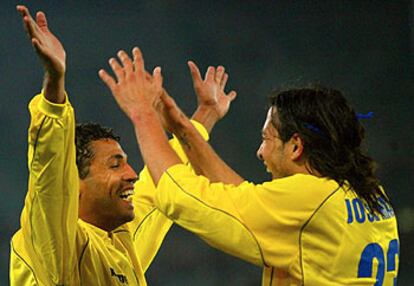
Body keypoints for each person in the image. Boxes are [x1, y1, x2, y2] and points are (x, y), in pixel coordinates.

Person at [99, 48, 400, 285]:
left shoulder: (307, 201)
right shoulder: (365, 192)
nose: (259, 152)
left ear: (296, 146)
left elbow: (182, 196)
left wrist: (141, 113)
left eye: (267, 139)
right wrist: (187, 127)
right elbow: (243, 197)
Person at [11, 5, 236, 285]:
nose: (132, 173)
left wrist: (206, 114)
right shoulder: (56, 247)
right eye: (115, 164)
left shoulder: (121, 242)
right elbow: (48, 172)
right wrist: (55, 84)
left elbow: (158, 187)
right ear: (73, 182)